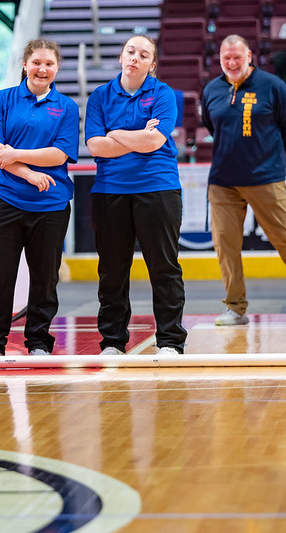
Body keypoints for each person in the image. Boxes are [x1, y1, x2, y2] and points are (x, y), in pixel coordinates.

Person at [0, 39, 79, 357]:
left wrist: (14, 153)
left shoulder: (67, 107)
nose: (42, 69)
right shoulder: (3, 100)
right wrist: (31, 174)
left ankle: (38, 342)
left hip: (51, 204)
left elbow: (60, 153)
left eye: (49, 63)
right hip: (4, 199)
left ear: (57, 68)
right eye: (36, 62)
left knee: (45, 278)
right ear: (25, 64)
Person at [84, 35, 187, 355]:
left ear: (151, 64)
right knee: (112, 271)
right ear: (121, 56)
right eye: (131, 51)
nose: (135, 58)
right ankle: (113, 341)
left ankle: (170, 340)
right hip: (109, 191)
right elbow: (95, 145)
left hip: (158, 188)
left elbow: (155, 142)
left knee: (164, 267)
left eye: (144, 55)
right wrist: (138, 135)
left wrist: (114, 133)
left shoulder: (163, 93)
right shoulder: (100, 96)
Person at [201, 35, 286, 326]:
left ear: (249, 55)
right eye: (226, 58)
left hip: (267, 178)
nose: (232, 63)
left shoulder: (274, 87)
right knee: (225, 244)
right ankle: (235, 307)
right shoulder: (211, 89)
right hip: (223, 182)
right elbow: (212, 125)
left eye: (237, 57)